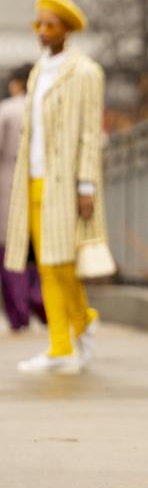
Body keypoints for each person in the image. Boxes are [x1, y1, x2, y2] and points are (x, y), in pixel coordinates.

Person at [4, 0, 110, 374]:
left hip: (63, 183)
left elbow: (88, 134)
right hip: (32, 180)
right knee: (44, 266)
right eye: (38, 24)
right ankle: (60, 346)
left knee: (63, 263)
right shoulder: (37, 72)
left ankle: (81, 322)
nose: (42, 32)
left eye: (50, 25)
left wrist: (86, 186)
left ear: (67, 29)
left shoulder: (85, 71)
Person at [0, 64, 46, 331]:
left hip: (9, 188)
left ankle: (20, 313)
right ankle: (41, 302)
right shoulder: (48, 107)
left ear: (16, 83)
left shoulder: (7, 110)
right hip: (44, 187)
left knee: (10, 252)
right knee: (40, 251)